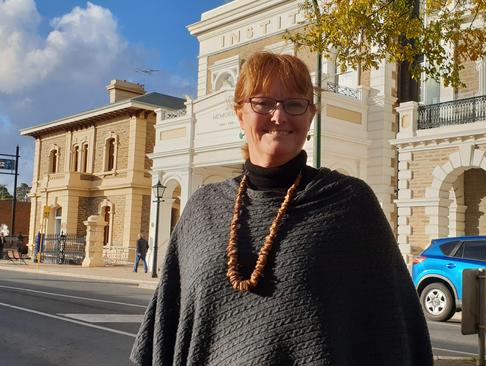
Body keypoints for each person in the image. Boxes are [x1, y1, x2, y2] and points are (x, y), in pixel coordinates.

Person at [130, 52, 433, 366]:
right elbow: (167, 327)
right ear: (240, 113)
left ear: (311, 115)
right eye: (263, 103)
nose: (279, 116)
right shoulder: (203, 209)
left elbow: (394, 331)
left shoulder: (350, 205)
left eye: (294, 104)